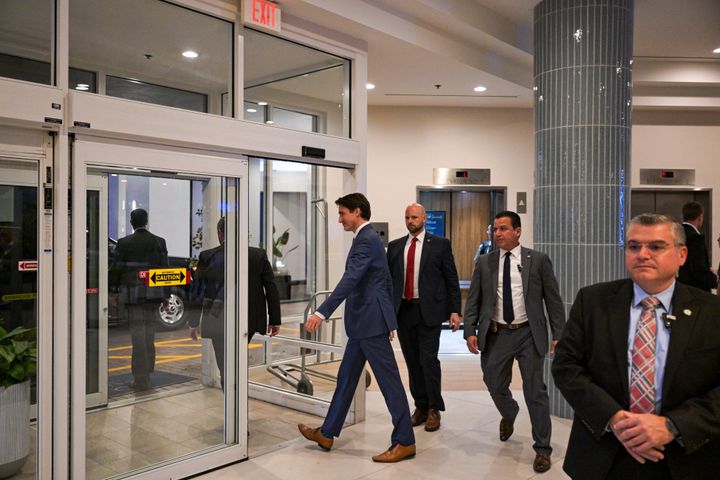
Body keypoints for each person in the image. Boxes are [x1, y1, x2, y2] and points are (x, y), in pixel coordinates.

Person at [552, 213, 720, 480]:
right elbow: (566, 366)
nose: (642, 254)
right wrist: (616, 419)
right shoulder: (593, 301)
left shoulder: (711, 312)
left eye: (656, 246)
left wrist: (674, 425)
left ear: (682, 255)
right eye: (633, 246)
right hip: (606, 453)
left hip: (685, 456)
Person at [298, 193, 415, 463]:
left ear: (357, 212)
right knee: (347, 379)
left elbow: (351, 279)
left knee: (389, 383)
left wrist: (321, 311)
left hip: (370, 323)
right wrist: (388, 317)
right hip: (366, 322)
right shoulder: (367, 239)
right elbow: (384, 281)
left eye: (343, 214)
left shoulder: (367, 239)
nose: (339, 219)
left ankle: (405, 441)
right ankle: (327, 433)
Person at [463, 210, 565, 473]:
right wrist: (470, 330)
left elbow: (553, 300)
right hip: (497, 333)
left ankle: (542, 449)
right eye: (495, 229)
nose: (497, 234)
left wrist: (559, 334)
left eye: (504, 229)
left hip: (529, 333)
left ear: (518, 231)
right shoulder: (485, 262)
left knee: (535, 391)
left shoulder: (538, 260)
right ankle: (509, 412)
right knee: (494, 383)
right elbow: (474, 299)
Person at [386, 202, 461, 432]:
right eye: (407, 217)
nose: (411, 221)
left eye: (415, 217)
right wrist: (387, 317)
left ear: (425, 218)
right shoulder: (396, 247)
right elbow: (389, 284)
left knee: (428, 361)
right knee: (412, 362)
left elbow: (451, 280)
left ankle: (434, 409)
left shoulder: (439, 245)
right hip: (404, 312)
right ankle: (420, 406)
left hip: (429, 312)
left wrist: (455, 310)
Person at [188, 218, 281, 388]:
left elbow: (197, 291)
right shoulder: (257, 255)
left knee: (224, 362)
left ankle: (230, 399)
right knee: (237, 357)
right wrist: (274, 319)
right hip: (248, 318)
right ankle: (236, 396)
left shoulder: (207, 256)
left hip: (218, 318)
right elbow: (271, 288)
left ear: (220, 233)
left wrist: (193, 323)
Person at [113, 208, 169, 390]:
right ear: (147, 221)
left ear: (131, 222)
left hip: (132, 296)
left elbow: (117, 270)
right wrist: (166, 296)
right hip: (153, 296)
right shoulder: (159, 242)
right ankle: (147, 373)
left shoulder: (124, 243)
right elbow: (164, 272)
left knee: (137, 336)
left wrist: (114, 293)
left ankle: (140, 378)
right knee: (149, 335)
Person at [677, 201, 717, 292]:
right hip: (695, 290)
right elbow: (698, 269)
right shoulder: (695, 238)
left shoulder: (676, 233)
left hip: (679, 288)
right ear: (699, 217)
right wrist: (715, 281)